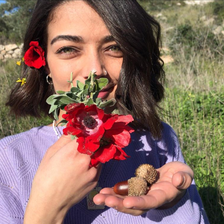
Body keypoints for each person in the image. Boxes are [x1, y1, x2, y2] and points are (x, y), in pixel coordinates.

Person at [0, 0, 209, 223]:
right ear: (45, 62)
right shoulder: (7, 160)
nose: (95, 70)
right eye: (68, 49)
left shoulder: (159, 138)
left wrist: (175, 205)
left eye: (114, 47)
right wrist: (46, 210)